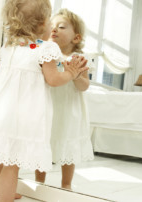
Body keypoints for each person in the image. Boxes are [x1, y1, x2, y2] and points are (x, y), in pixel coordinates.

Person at [0, 1, 88, 201]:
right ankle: (6, 198)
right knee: (12, 165)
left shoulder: (9, 45)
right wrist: (71, 73)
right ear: (40, 25)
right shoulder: (45, 48)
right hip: (21, 116)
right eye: (50, 22)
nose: (52, 28)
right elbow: (54, 79)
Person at [35, 9, 94, 190]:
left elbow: (84, 86)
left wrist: (76, 74)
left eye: (61, 27)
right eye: (51, 26)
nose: (54, 30)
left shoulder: (79, 59)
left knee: (68, 144)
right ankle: (39, 182)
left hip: (69, 110)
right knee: (44, 143)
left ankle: (66, 183)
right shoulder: (44, 54)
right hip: (48, 106)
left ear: (76, 38)